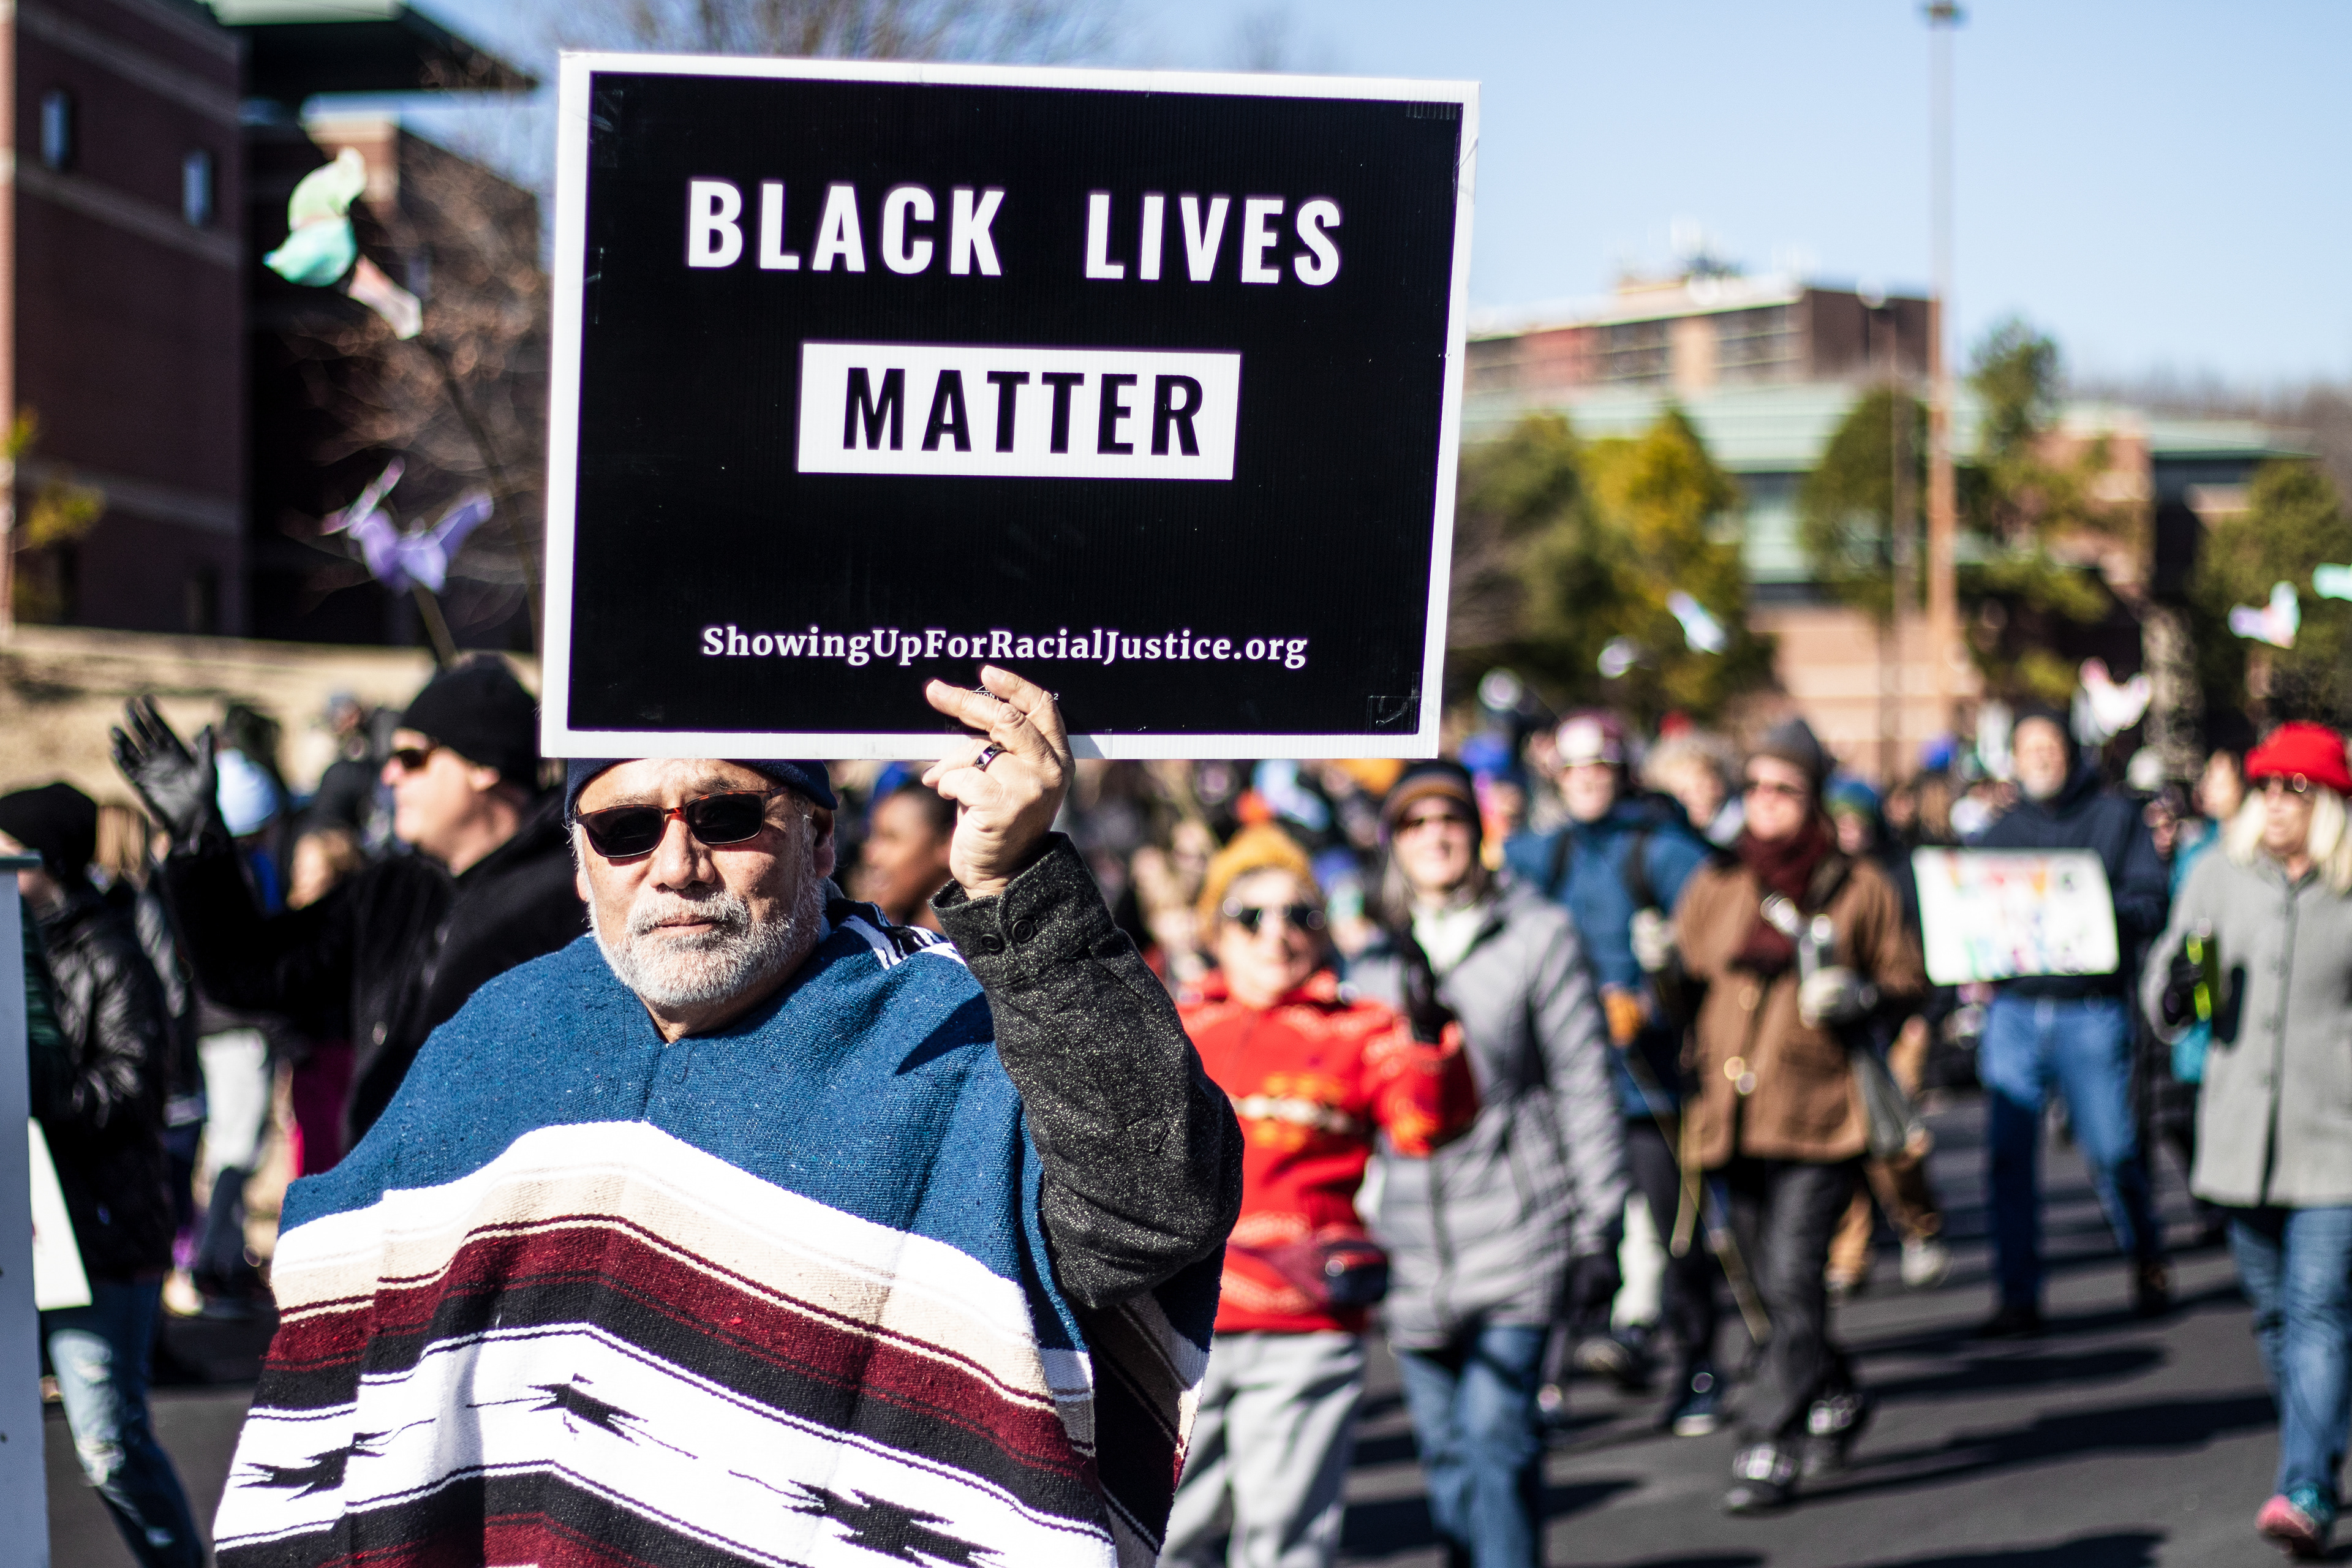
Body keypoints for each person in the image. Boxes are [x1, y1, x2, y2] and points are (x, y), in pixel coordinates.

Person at [208, 666, 1242, 1567]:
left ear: (821, 837)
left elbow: (1153, 1209)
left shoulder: (957, 1027)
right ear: (578, 862)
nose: (675, 864)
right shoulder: (502, 1037)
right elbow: (351, 1288)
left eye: (726, 816)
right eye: (622, 830)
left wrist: (1020, 886)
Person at [114, 655, 586, 1147]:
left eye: (411, 758)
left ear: (484, 767)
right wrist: (197, 841)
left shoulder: (572, 896)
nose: (389, 777)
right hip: (387, 1196)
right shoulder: (393, 889)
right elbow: (252, 973)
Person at [1165, 826, 1477, 1568]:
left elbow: (1426, 1125)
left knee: (1285, 1549)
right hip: (1174, 1326)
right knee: (1155, 1541)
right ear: (1216, 930)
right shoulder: (1172, 1024)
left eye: (1300, 915)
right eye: (1251, 916)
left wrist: (1434, 1038)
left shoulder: (1361, 1029)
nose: (1276, 935)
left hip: (1303, 1324)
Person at [1643, 718, 1926, 1512]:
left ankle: (1767, 1438)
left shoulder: (1857, 885)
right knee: (1766, 1287)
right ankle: (1835, 1388)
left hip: (1820, 1110)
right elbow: (1687, 994)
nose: (1765, 804)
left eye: (1784, 790)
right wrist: (1661, 968)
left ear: (1812, 801)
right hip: (1731, 1111)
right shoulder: (1719, 881)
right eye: (1757, 787)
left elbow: (1910, 981)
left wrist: (1863, 995)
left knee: (1796, 1277)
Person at [1352, 761, 1627, 1568]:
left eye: (1452, 820)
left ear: (1478, 833)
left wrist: (1600, 1224)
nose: (1435, 836)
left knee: (1497, 1439)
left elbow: (1583, 1081)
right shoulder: (1369, 968)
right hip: (1411, 1250)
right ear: (1392, 845)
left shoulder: (1538, 935)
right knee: (1444, 1457)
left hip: (1519, 1229)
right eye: (1414, 823)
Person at [2143, 722, 2352, 1559]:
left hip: (2335, 1140)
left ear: (2330, 803)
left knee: (2318, 1309)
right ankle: (2319, 1454)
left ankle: (2302, 1480)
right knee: (2272, 1313)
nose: (2275, 804)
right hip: (2237, 1141)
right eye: (2267, 787)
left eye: (2295, 790)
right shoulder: (2215, 878)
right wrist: (2179, 992)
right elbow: (2165, 991)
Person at [0, 784, 203, 1567]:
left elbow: (132, 1086)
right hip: (32, 1230)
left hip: (98, 1235)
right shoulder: (24, 945)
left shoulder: (108, 950)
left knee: (108, 1444)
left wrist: (41, 1089)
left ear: (44, 859)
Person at [1504, 712, 1719, 1428]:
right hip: (1564, 1080)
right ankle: (1551, 1379)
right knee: (1555, 1236)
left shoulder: (1660, 850)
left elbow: (1722, 926)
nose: (1587, 777)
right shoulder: (1540, 855)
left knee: (1675, 1227)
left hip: (1649, 1079)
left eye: (1600, 764)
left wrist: (1664, 978)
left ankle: (1698, 1368)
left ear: (1623, 769)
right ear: (1554, 776)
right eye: (1573, 767)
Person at [1973, 705, 2172, 1335]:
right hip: (2015, 1012)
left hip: (2090, 1010)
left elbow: (2150, 902)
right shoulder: (1997, 834)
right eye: (2027, 747)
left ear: (2071, 750)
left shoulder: (2115, 819)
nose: (2040, 757)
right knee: (2008, 1155)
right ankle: (2018, 1292)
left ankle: (2145, 1249)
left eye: (2049, 745)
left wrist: (2086, 907)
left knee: (2113, 1148)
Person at [1820, 777, 1949, 1298]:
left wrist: (1924, 1019)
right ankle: (1849, 1254)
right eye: (1840, 819)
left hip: (1897, 1025)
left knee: (1895, 1142)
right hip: (1839, 1032)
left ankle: (1920, 1229)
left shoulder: (1900, 874)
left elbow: (1931, 952)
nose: (1850, 830)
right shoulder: (1823, 878)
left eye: (1858, 819)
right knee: (1845, 1145)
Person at [855, 778, 957, 931]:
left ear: (946, 844)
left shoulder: (976, 948)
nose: (871, 856)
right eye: (872, 836)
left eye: (891, 838)